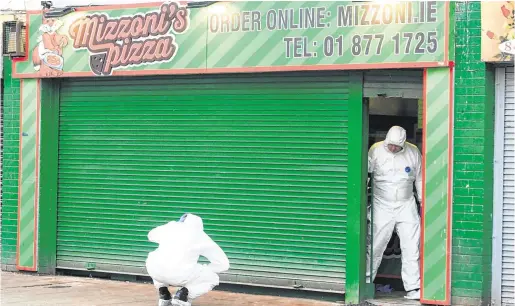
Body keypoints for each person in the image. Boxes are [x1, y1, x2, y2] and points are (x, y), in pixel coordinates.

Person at [366, 126, 422, 300]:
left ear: (403, 144)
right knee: (375, 245)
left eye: (396, 146)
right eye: (390, 145)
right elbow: (365, 175)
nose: (392, 148)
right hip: (381, 204)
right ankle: (366, 282)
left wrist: (422, 201)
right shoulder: (375, 150)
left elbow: (420, 177)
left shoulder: (413, 152)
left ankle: (413, 287)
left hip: (406, 204)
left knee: (412, 246)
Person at [146, 213, 230, 306]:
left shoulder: (170, 227)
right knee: (213, 278)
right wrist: (204, 269)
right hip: (180, 274)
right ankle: (182, 296)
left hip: (155, 271)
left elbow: (150, 235)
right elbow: (223, 264)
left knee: (156, 261)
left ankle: (163, 293)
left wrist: (171, 226)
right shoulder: (200, 235)